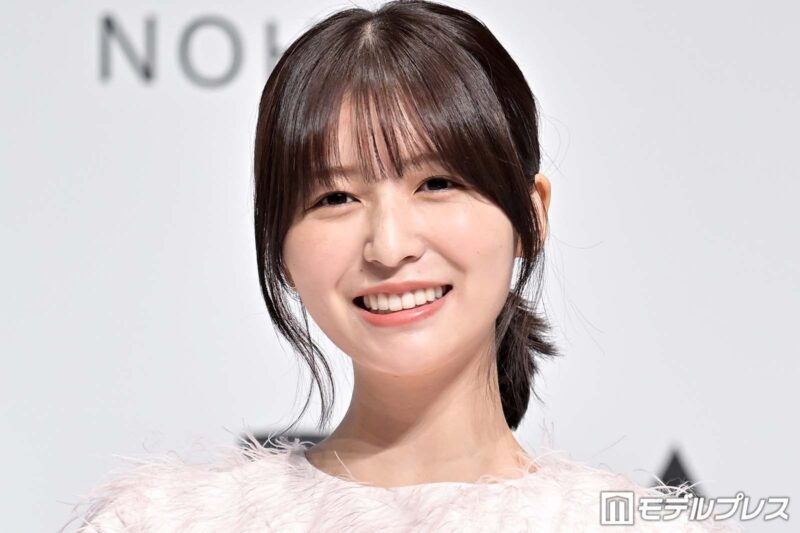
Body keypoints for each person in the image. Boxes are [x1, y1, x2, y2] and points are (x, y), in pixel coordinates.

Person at [64, 1, 742, 531]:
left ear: (531, 216)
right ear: (278, 245)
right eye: (335, 197)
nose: (389, 246)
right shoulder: (164, 523)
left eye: (436, 183)